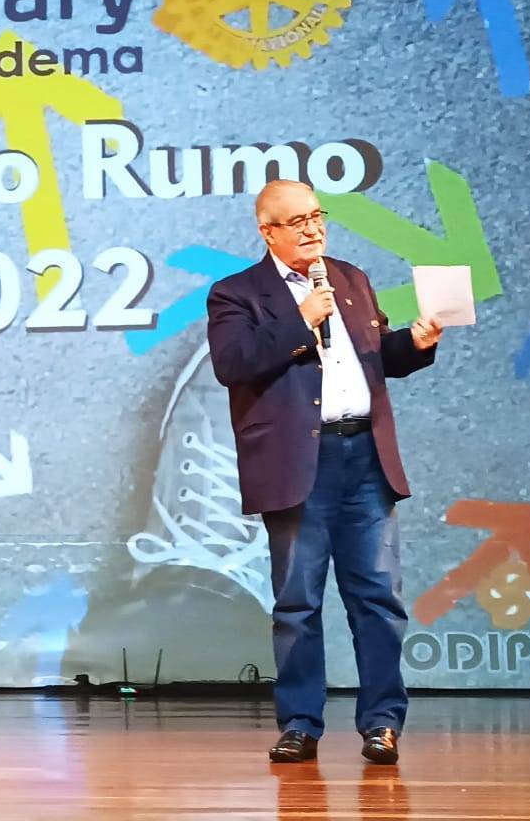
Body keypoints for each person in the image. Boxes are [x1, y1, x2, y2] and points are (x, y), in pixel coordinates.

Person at [206, 179, 442, 764]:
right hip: (297, 464)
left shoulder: (350, 278)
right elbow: (232, 364)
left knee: (379, 599)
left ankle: (382, 723)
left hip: (365, 457)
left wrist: (415, 343)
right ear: (268, 232)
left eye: (317, 216)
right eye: (298, 221)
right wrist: (299, 318)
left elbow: (377, 358)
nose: (313, 228)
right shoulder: (237, 293)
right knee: (298, 603)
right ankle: (301, 724)